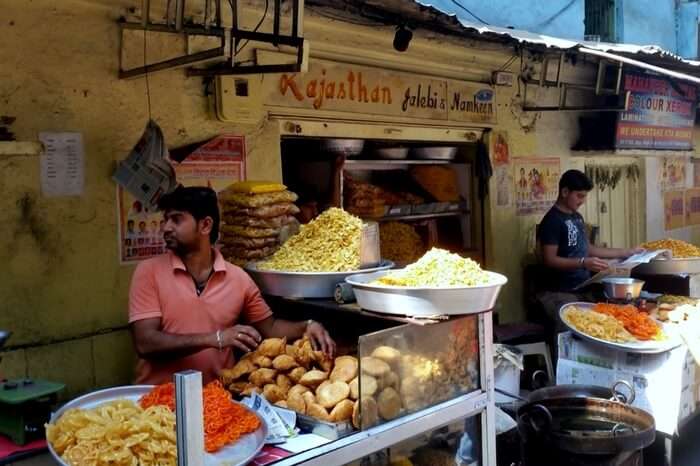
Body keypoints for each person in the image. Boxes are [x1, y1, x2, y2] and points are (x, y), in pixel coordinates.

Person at [128, 186, 336, 384]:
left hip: (216, 401)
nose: (166, 227)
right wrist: (215, 338)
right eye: (165, 220)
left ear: (205, 225)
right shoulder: (149, 272)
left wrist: (307, 325)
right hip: (156, 401)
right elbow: (146, 343)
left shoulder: (238, 278)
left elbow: (270, 328)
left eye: (176, 219)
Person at [536, 170, 642, 325]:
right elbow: (549, 259)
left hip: (583, 287)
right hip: (560, 291)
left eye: (585, 196)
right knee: (573, 326)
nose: (583, 201)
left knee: (615, 316)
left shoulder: (577, 217)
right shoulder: (552, 220)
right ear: (565, 192)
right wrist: (583, 262)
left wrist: (625, 252)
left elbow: (588, 248)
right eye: (579, 196)